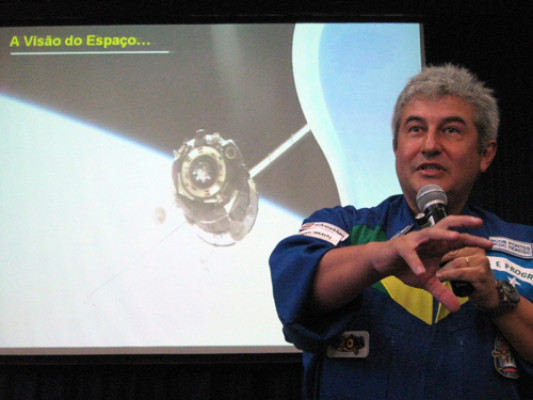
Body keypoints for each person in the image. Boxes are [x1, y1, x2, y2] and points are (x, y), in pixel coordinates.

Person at [269, 64, 533, 399]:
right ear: (396, 147)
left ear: (486, 154)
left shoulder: (524, 246)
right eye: (415, 129)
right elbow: (293, 288)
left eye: (451, 130)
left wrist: (496, 297)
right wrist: (382, 258)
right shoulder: (346, 228)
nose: (430, 145)